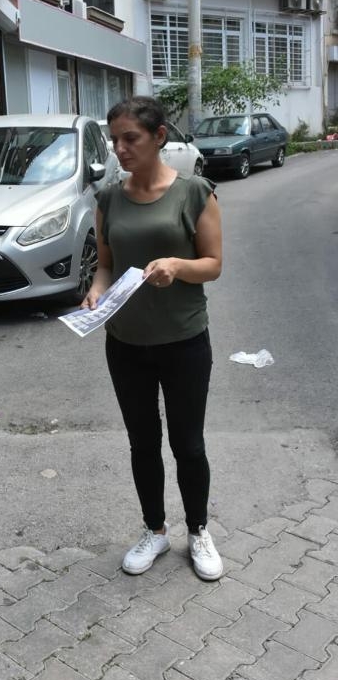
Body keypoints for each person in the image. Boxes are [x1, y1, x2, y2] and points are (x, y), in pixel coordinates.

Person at [81, 96, 223, 583]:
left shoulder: (194, 192)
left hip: (184, 341)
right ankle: (155, 530)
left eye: (131, 138)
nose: (120, 148)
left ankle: (198, 530)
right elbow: (105, 265)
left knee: (188, 444)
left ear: (159, 136)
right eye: (114, 140)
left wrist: (178, 266)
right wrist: (96, 291)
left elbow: (213, 264)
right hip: (125, 344)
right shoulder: (108, 199)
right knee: (142, 442)